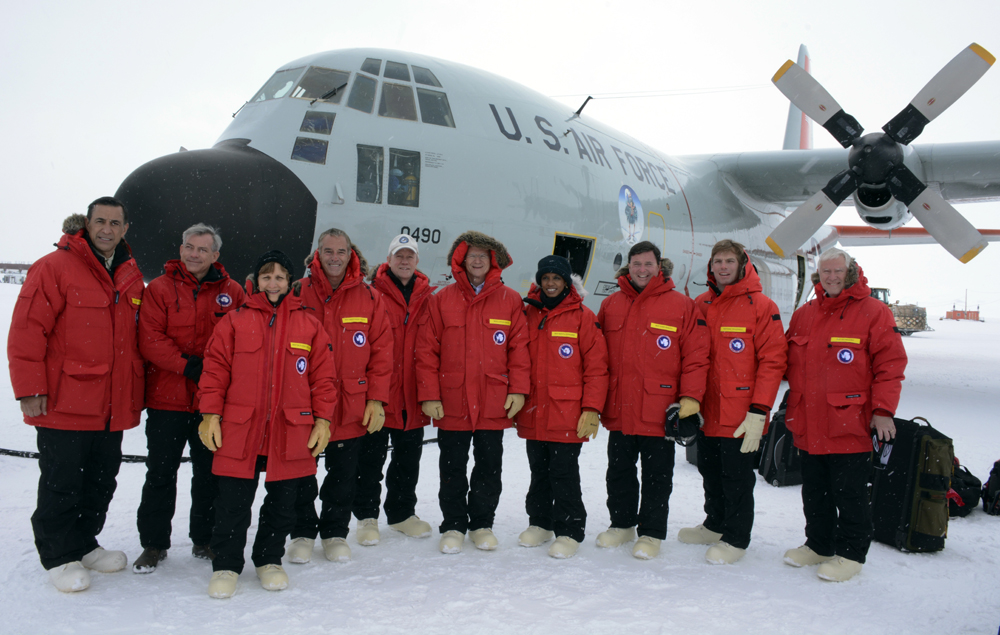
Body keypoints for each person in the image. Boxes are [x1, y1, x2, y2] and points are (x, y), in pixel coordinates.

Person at [7, 198, 145, 592]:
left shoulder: (130, 274)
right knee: (62, 481)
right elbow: (27, 332)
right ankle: (59, 555)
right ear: (87, 223)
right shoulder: (53, 268)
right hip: (65, 402)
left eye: (115, 222)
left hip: (111, 406)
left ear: (125, 228)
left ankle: (85, 544)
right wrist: (30, 389)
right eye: (100, 221)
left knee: (102, 480)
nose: (107, 229)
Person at [197, 251, 335, 598]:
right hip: (241, 428)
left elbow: (323, 379)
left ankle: (268, 559)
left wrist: (323, 420)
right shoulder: (234, 321)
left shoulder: (309, 324)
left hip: (290, 429)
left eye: (279, 276)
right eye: (266, 276)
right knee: (232, 503)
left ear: (290, 282)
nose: (272, 282)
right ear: (255, 281)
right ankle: (226, 565)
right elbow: (215, 371)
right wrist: (210, 413)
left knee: (283, 502)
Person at [782, 248, 906, 582]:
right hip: (808, 421)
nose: (832, 277)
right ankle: (819, 545)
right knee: (815, 490)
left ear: (850, 272)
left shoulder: (874, 312)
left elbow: (890, 366)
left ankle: (851, 553)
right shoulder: (805, 314)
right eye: (826, 272)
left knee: (849, 493)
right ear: (817, 275)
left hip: (848, 422)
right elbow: (785, 360)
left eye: (838, 271)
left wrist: (883, 411)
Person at [133, 224, 245, 572]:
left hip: (211, 404)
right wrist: (187, 366)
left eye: (201, 249)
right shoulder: (160, 289)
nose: (193, 254)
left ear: (216, 256)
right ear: (180, 249)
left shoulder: (233, 292)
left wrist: (213, 373)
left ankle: (205, 538)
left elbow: (243, 339)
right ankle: (153, 544)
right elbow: (150, 338)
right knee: (160, 474)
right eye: (188, 247)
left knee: (209, 474)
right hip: (167, 400)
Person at [415, 231, 530, 554]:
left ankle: (482, 524)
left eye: (483, 255)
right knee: (451, 467)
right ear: (461, 260)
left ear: (493, 261)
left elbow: (519, 350)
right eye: (471, 255)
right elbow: (427, 351)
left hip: (494, 400)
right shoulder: (442, 300)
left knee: (489, 466)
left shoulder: (509, 300)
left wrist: (519, 390)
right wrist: (430, 394)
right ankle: (453, 525)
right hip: (453, 400)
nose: (477, 260)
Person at [596, 241, 708, 560]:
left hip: (660, 411)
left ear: (659, 266)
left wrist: (690, 399)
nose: (642, 270)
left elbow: (696, 357)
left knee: (657, 476)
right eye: (636, 264)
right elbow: (597, 357)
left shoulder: (682, 306)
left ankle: (651, 532)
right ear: (628, 267)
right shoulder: (612, 305)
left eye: (647, 264)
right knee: (618, 471)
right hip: (620, 407)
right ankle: (622, 525)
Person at [287, 229, 393, 564]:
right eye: (328, 251)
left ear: (351, 254)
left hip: (351, 404)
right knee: (301, 474)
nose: (335, 257)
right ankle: (302, 533)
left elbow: (382, 352)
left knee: (343, 476)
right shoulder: (297, 293)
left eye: (341, 251)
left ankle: (334, 532)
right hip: (304, 404)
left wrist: (376, 399)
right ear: (317, 253)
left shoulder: (370, 297)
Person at [678, 240, 786, 564]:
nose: (723, 267)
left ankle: (736, 537)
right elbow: (690, 356)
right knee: (709, 470)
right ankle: (715, 524)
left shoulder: (762, 307)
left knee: (737, 476)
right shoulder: (700, 304)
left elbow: (773, 361)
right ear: (710, 266)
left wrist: (760, 409)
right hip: (706, 409)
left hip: (741, 412)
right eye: (717, 261)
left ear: (741, 264)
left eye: (729, 261)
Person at [516, 256, 608, 559]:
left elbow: (596, 368)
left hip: (567, 413)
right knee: (538, 471)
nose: (551, 284)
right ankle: (540, 522)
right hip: (533, 409)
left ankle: (569, 530)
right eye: (546, 278)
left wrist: (591, 408)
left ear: (567, 282)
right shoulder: (527, 313)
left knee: (564, 473)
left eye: (557, 278)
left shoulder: (583, 317)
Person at [363, 235, 438, 539]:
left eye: (410, 256)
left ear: (417, 261)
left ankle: (402, 514)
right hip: (380, 394)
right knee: (370, 461)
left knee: (407, 462)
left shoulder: (429, 299)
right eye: (399, 256)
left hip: (413, 394)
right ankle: (366, 517)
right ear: (389, 260)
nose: (404, 262)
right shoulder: (371, 294)